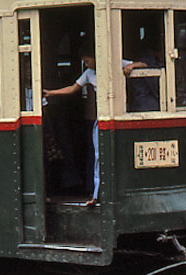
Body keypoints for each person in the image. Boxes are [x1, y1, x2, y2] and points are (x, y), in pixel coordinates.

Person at [43, 42, 133, 207]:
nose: (86, 64)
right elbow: (72, 89)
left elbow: (142, 65)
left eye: (87, 60)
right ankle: (97, 194)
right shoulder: (89, 73)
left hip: (120, 115)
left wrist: (131, 67)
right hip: (102, 118)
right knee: (99, 155)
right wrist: (51, 93)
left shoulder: (115, 64)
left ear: (95, 57)